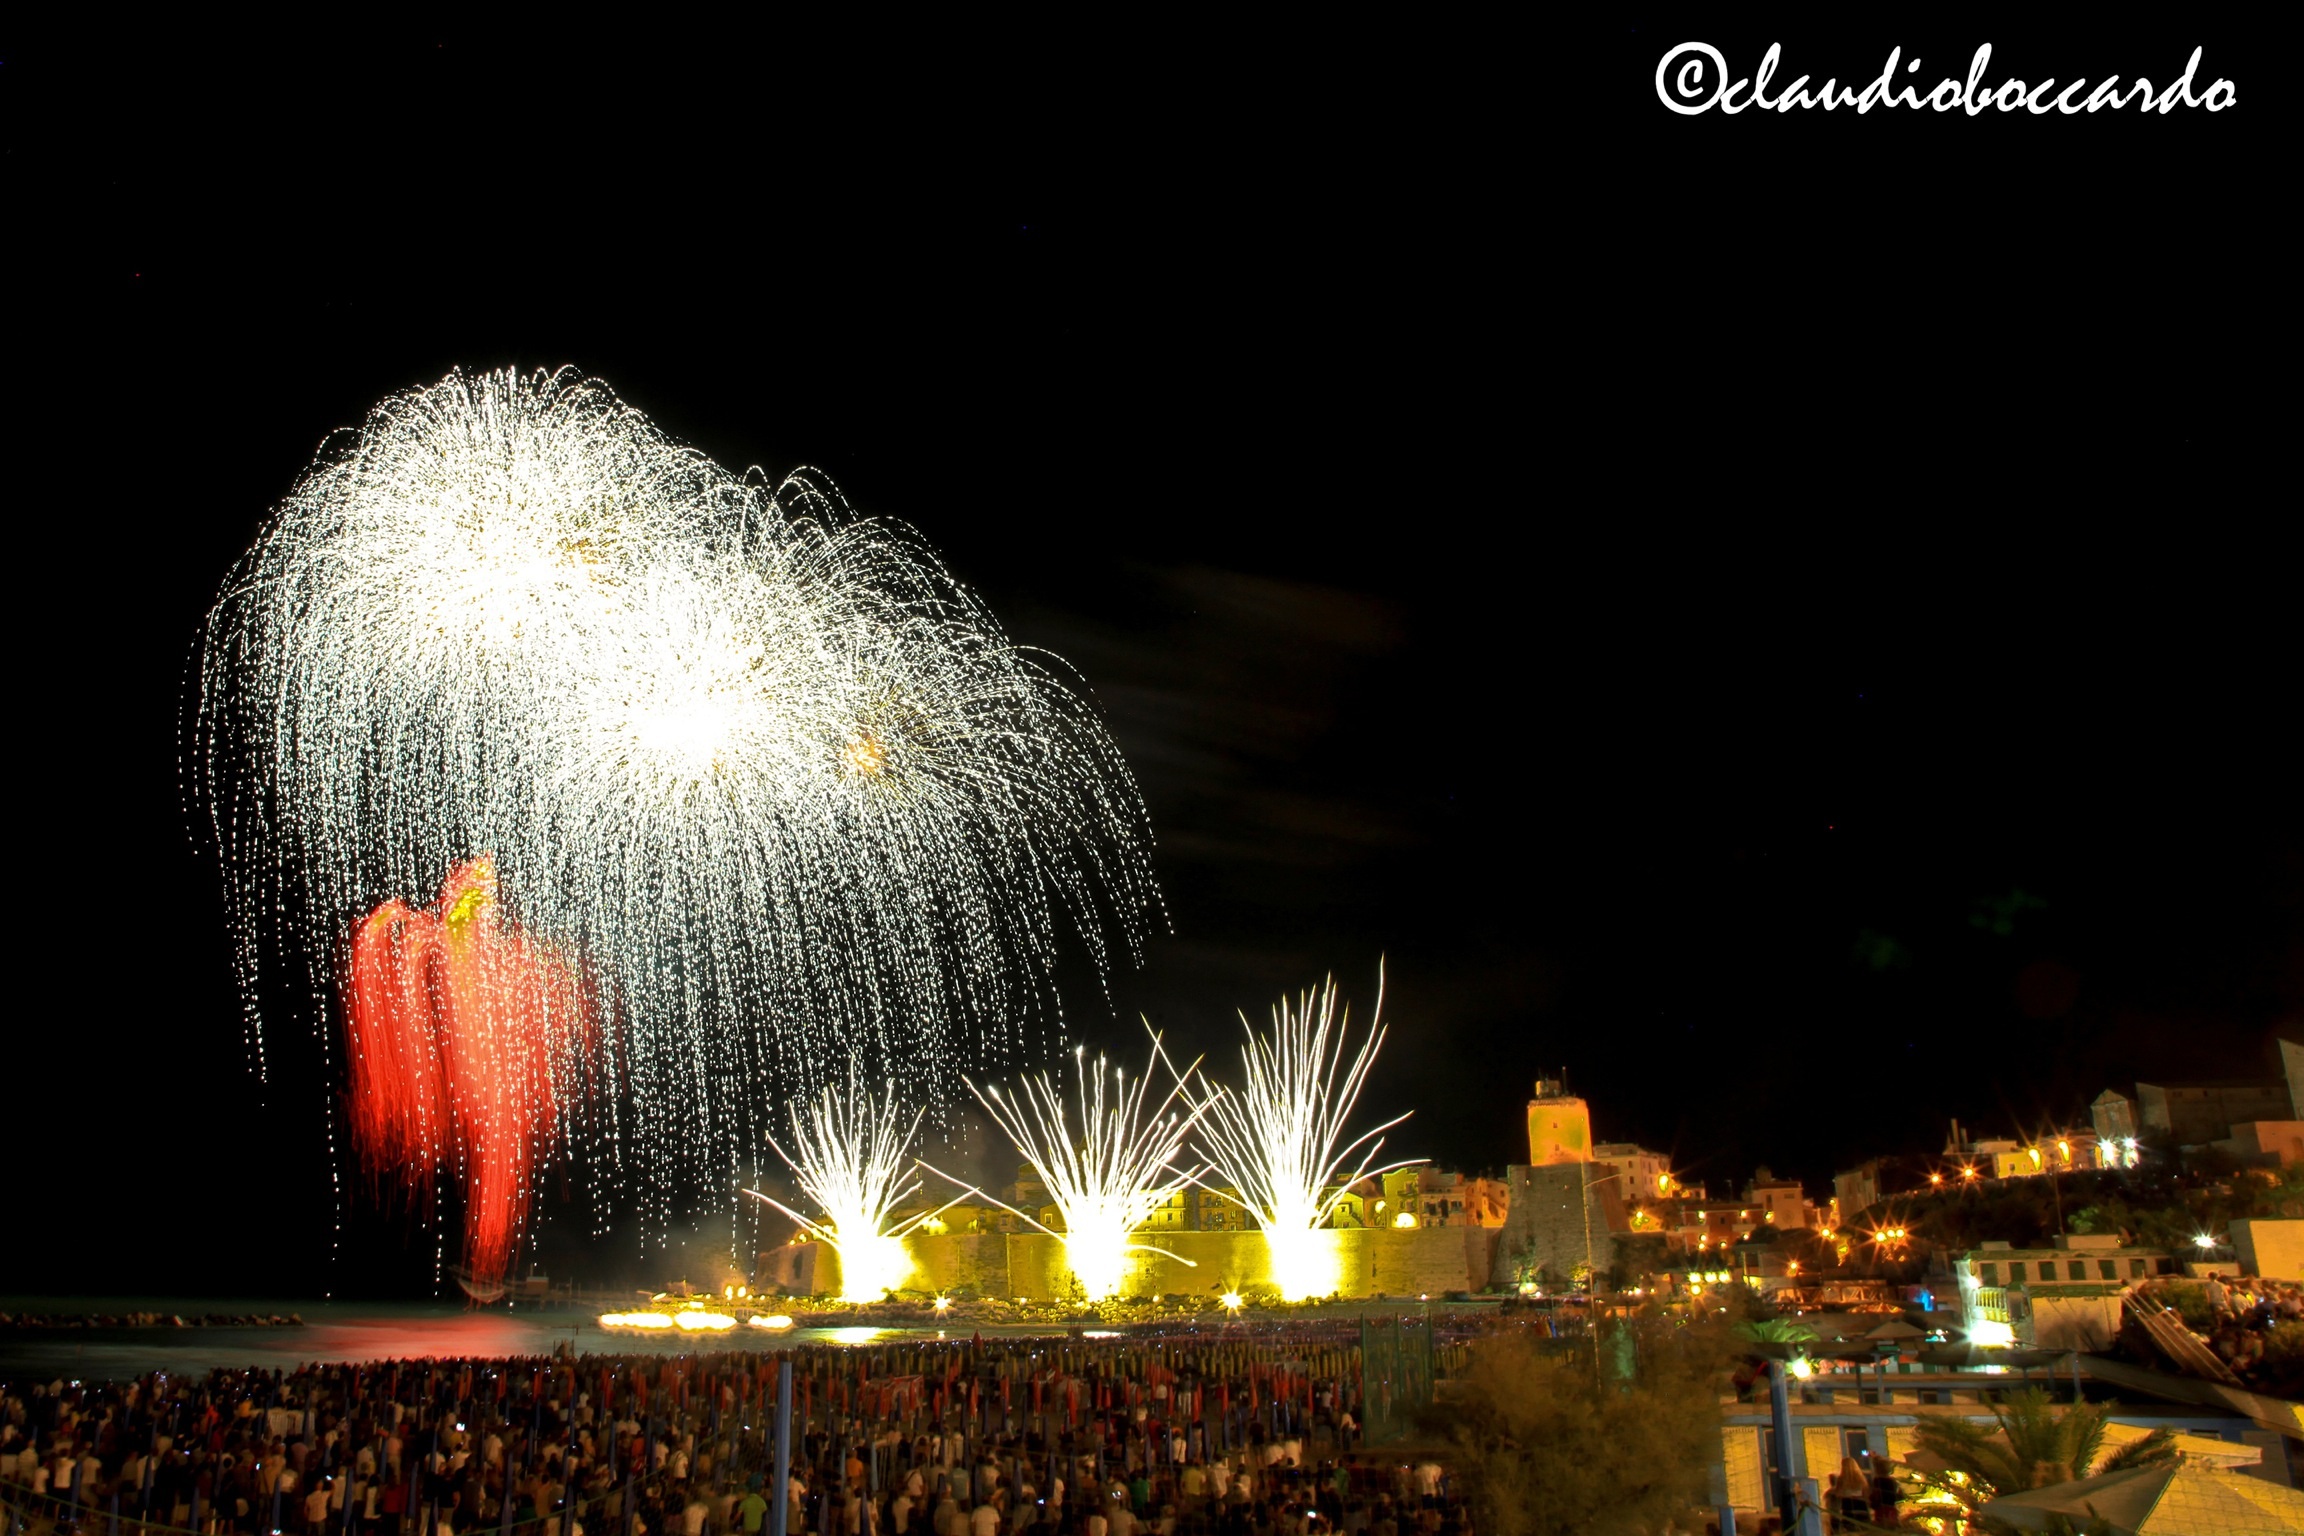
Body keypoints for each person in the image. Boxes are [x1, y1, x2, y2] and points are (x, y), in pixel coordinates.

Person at [1833, 1456, 1869, 1528]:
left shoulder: (1841, 1479)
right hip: (1861, 1504)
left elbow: (1837, 1494)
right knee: (1863, 1527)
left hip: (1847, 1505)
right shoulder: (1861, 1478)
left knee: (1849, 1527)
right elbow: (1865, 1494)